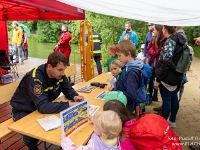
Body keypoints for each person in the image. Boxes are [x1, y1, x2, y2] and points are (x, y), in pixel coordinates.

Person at [10, 52, 84, 150]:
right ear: (49, 66)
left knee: (63, 124)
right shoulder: (36, 78)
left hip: (40, 106)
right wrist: (69, 104)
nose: (62, 73)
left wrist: (75, 97)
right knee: (30, 134)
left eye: (64, 70)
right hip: (23, 109)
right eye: (60, 70)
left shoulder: (58, 75)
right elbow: (43, 107)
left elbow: (67, 88)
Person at [154, 25, 186, 128]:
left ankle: (163, 123)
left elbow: (166, 62)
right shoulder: (181, 39)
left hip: (168, 76)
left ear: (165, 29)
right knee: (173, 98)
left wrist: (158, 79)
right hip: (178, 74)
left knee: (166, 100)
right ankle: (172, 120)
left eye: (163, 28)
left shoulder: (171, 41)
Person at [111, 40, 143, 115]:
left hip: (127, 107)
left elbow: (131, 95)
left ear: (128, 54)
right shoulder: (129, 66)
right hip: (126, 104)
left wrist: (114, 91)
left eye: (119, 55)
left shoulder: (131, 72)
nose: (118, 58)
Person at [147, 24, 165, 104]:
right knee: (150, 79)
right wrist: (152, 51)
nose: (152, 31)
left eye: (154, 30)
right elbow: (148, 49)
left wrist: (151, 51)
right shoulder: (153, 39)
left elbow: (156, 53)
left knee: (157, 79)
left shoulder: (162, 41)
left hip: (157, 63)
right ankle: (150, 96)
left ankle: (155, 95)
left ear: (158, 31)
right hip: (151, 61)